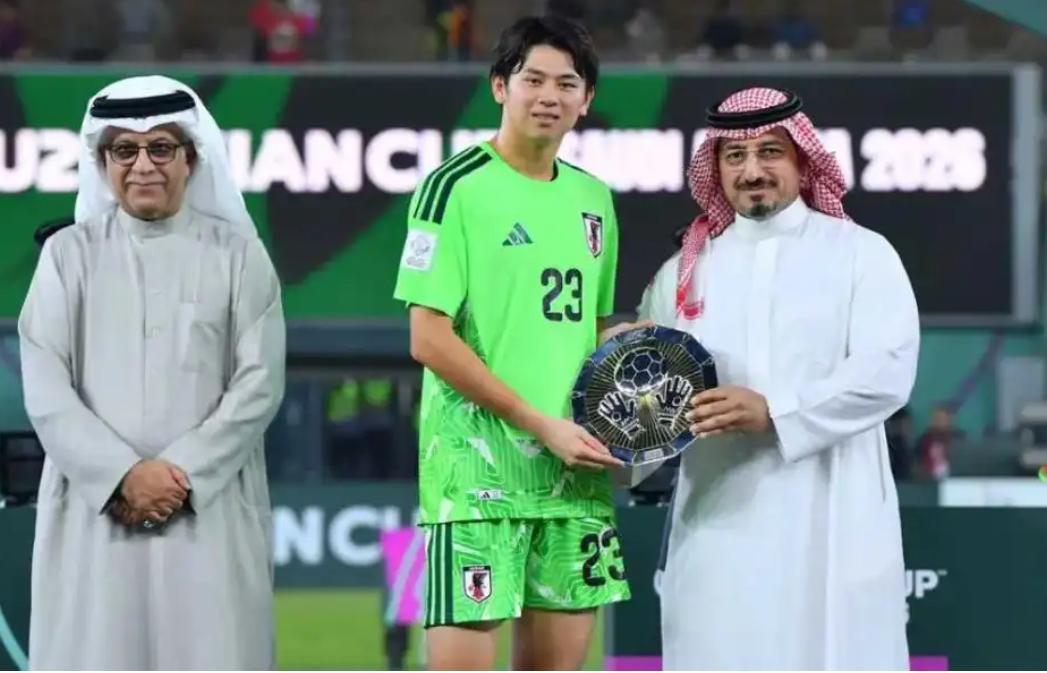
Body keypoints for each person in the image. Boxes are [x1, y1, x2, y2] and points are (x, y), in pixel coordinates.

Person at [639, 86, 919, 669]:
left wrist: (775, 410)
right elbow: (647, 406)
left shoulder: (861, 254)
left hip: (834, 521)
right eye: (735, 156)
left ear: (802, 160)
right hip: (717, 531)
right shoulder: (682, 275)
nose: (752, 171)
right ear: (716, 169)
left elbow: (886, 371)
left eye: (770, 152)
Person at [393, 15, 638, 670]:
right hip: (476, 481)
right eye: (533, 79)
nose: (549, 96)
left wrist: (625, 347)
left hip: (574, 476)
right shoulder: (453, 187)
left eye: (567, 83)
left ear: (586, 100)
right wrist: (538, 423)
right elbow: (428, 337)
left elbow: (584, 329)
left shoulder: (594, 199)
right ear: (500, 86)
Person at [19, 75, 285, 669]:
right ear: (102, 163)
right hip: (94, 513)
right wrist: (121, 476)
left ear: (192, 159)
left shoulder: (242, 256)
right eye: (125, 150)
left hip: (208, 511)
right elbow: (45, 385)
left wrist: (179, 476)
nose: (143, 166)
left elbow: (259, 385)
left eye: (161, 148)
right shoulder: (66, 257)